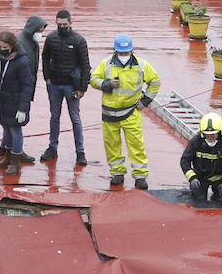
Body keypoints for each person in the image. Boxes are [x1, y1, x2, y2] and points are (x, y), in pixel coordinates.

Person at [91, 34, 161, 190]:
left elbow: (155, 82)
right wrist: (107, 83)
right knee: (112, 144)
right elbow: (93, 79)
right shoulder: (106, 64)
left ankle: (140, 175)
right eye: (121, 53)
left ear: (132, 51)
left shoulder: (142, 65)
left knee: (136, 144)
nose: (124, 56)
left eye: (126, 53)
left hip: (131, 112)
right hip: (110, 113)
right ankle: (117, 172)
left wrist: (145, 101)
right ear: (115, 51)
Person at [39, 10, 91, 165]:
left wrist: (82, 88)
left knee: (75, 118)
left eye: (64, 25)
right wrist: (47, 78)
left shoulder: (79, 41)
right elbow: (45, 57)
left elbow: (85, 65)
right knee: (54, 117)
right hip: (54, 84)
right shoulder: (51, 38)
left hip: (71, 86)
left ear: (71, 22)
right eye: (59, 25)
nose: (62, 27)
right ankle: (52, 147)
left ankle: (80, 151)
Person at [0, 31, 34, 174]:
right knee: (6, 128)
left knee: (15, 130)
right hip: (3, 100)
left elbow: (27, 86)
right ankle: (7, 158)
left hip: (16, 101)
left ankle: (16, 162)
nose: (2, 49)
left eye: (5, 47)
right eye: (0, 46)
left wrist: (22, 109)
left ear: (12, 46)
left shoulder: (22, 61)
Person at [181, 113, 222, 203]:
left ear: (220, 132)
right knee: (198, 201)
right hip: (201, 178)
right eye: (207, 134)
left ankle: (219, 195)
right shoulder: (196, 141)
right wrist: (192, 178)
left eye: (213, 134)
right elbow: (184, 161)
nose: (210, 137)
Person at [15, 15, 47, 96]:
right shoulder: (19, 42)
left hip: (28, 83)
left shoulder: (33, 42)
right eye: (39, 31)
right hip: (19, 85)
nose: (40, 34)